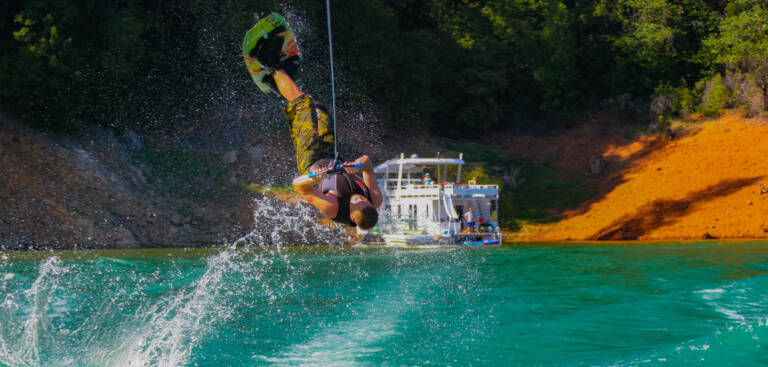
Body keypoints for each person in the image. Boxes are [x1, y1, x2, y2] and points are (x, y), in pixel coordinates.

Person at [268, 69, 383, 229]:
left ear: (351, 215)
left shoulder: (332, 207)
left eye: (358, 203)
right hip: (330, 154)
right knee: (319, 109)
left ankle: (270, 67)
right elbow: (368, 165)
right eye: (365, 201)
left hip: (310, 160)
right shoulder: (374, 199)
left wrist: (313, 178)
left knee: (303, 106)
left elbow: (299, 187)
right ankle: (278, 83)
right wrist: (358, 165)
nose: (361, 199)